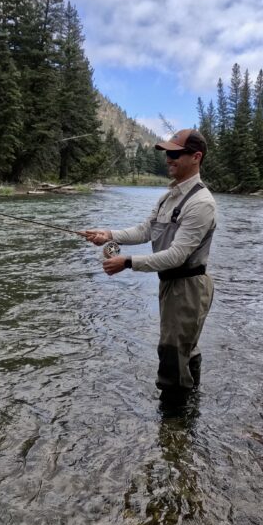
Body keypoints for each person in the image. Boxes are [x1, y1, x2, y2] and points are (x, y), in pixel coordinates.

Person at [82, 129, 217, 393]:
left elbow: (177, 254)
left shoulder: (202, 203)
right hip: (171, 284)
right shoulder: (168, 196)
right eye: (167, 153)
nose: (168, 158)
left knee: (173, 352)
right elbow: (146, 230)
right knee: (181, 348)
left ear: (196, 157)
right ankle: (188, 410)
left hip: (188, 287)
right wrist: (109, 234)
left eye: (175, 153)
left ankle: (174, 418)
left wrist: (127, 262)